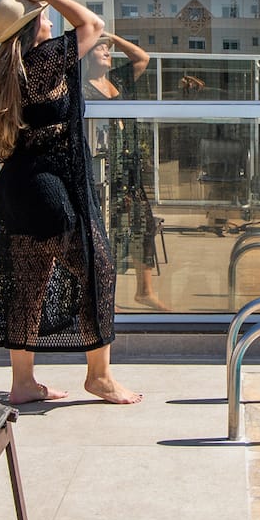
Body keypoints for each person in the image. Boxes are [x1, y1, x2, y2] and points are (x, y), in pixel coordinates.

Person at [0, 0, 141, 405]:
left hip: (16, 186)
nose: (50, 18)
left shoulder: (7, 69)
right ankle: (99, 376)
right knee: (98, 270)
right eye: (43, 14)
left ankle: (22, 383)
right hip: (46, 190)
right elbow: (93, 23)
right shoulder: (45, 58)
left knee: (28, 285)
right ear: (32, 27)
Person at [84, 32, 174, 311]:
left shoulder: (118, 80)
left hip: (129, 169)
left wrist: (110, 36)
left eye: (108, 48)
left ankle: (144, 291)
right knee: (106, 233)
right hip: (104, 172)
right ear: (86, 55)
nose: (107, 52)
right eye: (100, 48)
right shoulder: (82, 87)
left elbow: (142, 57)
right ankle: (102, 296)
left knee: (143, 225)